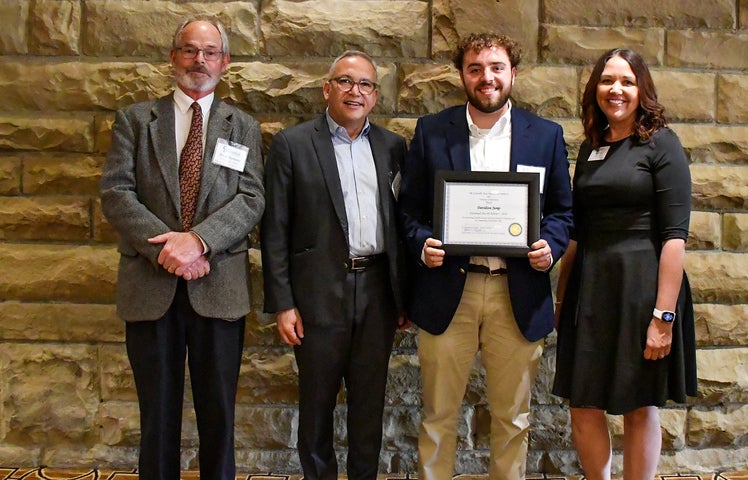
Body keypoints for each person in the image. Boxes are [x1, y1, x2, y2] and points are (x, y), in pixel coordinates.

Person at [398, 33, 573, 480]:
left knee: (513, 419)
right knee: (438, 415)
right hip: (448, 291)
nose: (486, 77)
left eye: (496, 67)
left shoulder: (546, 136)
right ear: (462, 75)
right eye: (475, 68)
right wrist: (422, 243)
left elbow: (561, 211)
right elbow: (409, 211)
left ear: (513, 73)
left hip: (517, 293)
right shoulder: (432, 131)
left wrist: (550, 246)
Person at [99, 18, 264, 480]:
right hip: (150, 286)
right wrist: (167, 250)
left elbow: (252, 198)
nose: (199, 61)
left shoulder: (243, 126)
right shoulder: (135, 120)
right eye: (190, 50)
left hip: (220, 285)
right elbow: (116, 193)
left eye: (210, 52)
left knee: (220, 415)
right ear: (173, 57)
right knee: (156, 415)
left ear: (225, 62)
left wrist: (198, 242)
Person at [260, 50, 408, 480]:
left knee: (369, 405)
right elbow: (274, 230)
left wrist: (404, 296)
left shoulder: (393, 147)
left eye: (365, 84)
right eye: (345, 81)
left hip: (378, 293)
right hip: (316, 297)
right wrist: (283, 303)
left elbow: (402, 226)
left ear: (375, 95)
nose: (354, 91)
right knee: (316, 405)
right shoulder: (293, 144)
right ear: (327, 89)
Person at [552, 48, 696, 480]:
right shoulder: (590, 148)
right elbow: (576, 232)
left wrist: (663, 317)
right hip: (590, 288)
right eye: (607, 80)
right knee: (583, 403)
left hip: (641, 291)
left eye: (627, 82)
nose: (616, 90)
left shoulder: (662, 144)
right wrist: (562, 300)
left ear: (642, 90)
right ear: (595, 89)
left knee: (638, 405)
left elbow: (675, 237)